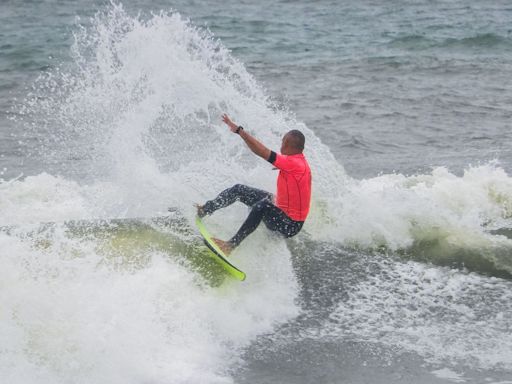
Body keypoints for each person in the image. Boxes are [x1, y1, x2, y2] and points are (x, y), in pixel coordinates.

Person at [196, 113, 312, 255]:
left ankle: (230, 245)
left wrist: (239, 131)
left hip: (290, 225)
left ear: (287, 144)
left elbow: (261, 151)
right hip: (281, 211)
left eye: (282, 142)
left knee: (262, 206)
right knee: (239, 189)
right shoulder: (298, 161)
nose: (281, 145)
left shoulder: (293, 164)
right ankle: (206, 209)